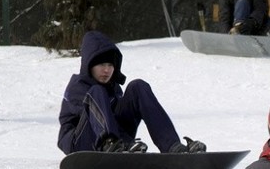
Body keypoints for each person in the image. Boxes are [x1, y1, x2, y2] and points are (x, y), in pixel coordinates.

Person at [57, 30, 206, 154]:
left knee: (137, 87)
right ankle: (111, 143)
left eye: (110, 65)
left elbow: (116, 119)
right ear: (89, 65)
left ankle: (172, 146)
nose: (107, 70)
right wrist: (123, 142)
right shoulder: (78, 86)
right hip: (80, 142)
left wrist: (125, 142)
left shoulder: (113, 88)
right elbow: (91, 117)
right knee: (97, 92)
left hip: (117, 142)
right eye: (102, 64)